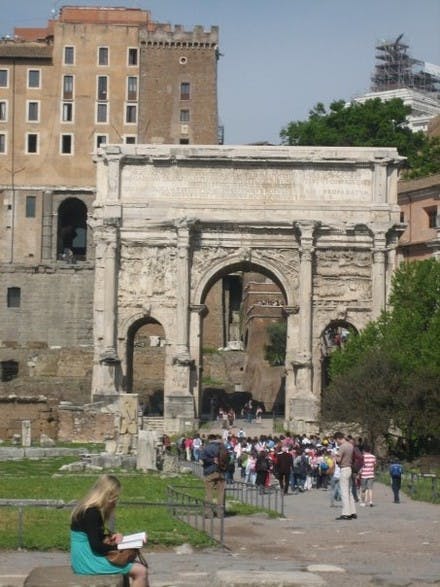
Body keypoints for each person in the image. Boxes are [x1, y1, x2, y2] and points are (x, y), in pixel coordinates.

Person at [70, 474, 149, 587]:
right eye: (115, 497)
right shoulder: (92, 513)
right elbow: (96, 546)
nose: (115, 501)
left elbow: (94, 536)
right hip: (87, 561)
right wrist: (121, 546)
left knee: (137, 567)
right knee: (141, 571)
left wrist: (111, 537)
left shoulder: (88, 509)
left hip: (85, 557)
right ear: (107, 495)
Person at [200, 434, 226, 517]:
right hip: (221, 472)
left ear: (209, 439)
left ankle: (209, 512)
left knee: (209, 493)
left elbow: (201, 459)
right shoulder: (222, 447)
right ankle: (220, 512)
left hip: (209, 472)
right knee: (221, 493)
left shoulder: (206, 448)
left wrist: (211, 460)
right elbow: (229, 458)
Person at [334, 431, 357, 520]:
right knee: (349, 491)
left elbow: (339, 460)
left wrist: (335, 456)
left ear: (338, 438)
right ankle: (352, 511)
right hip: (350, 468)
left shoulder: (342, 447)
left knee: (344, 492)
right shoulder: (350, 445)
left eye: (336, 441)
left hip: (344, 468)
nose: (337, 443)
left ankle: (346, 513)